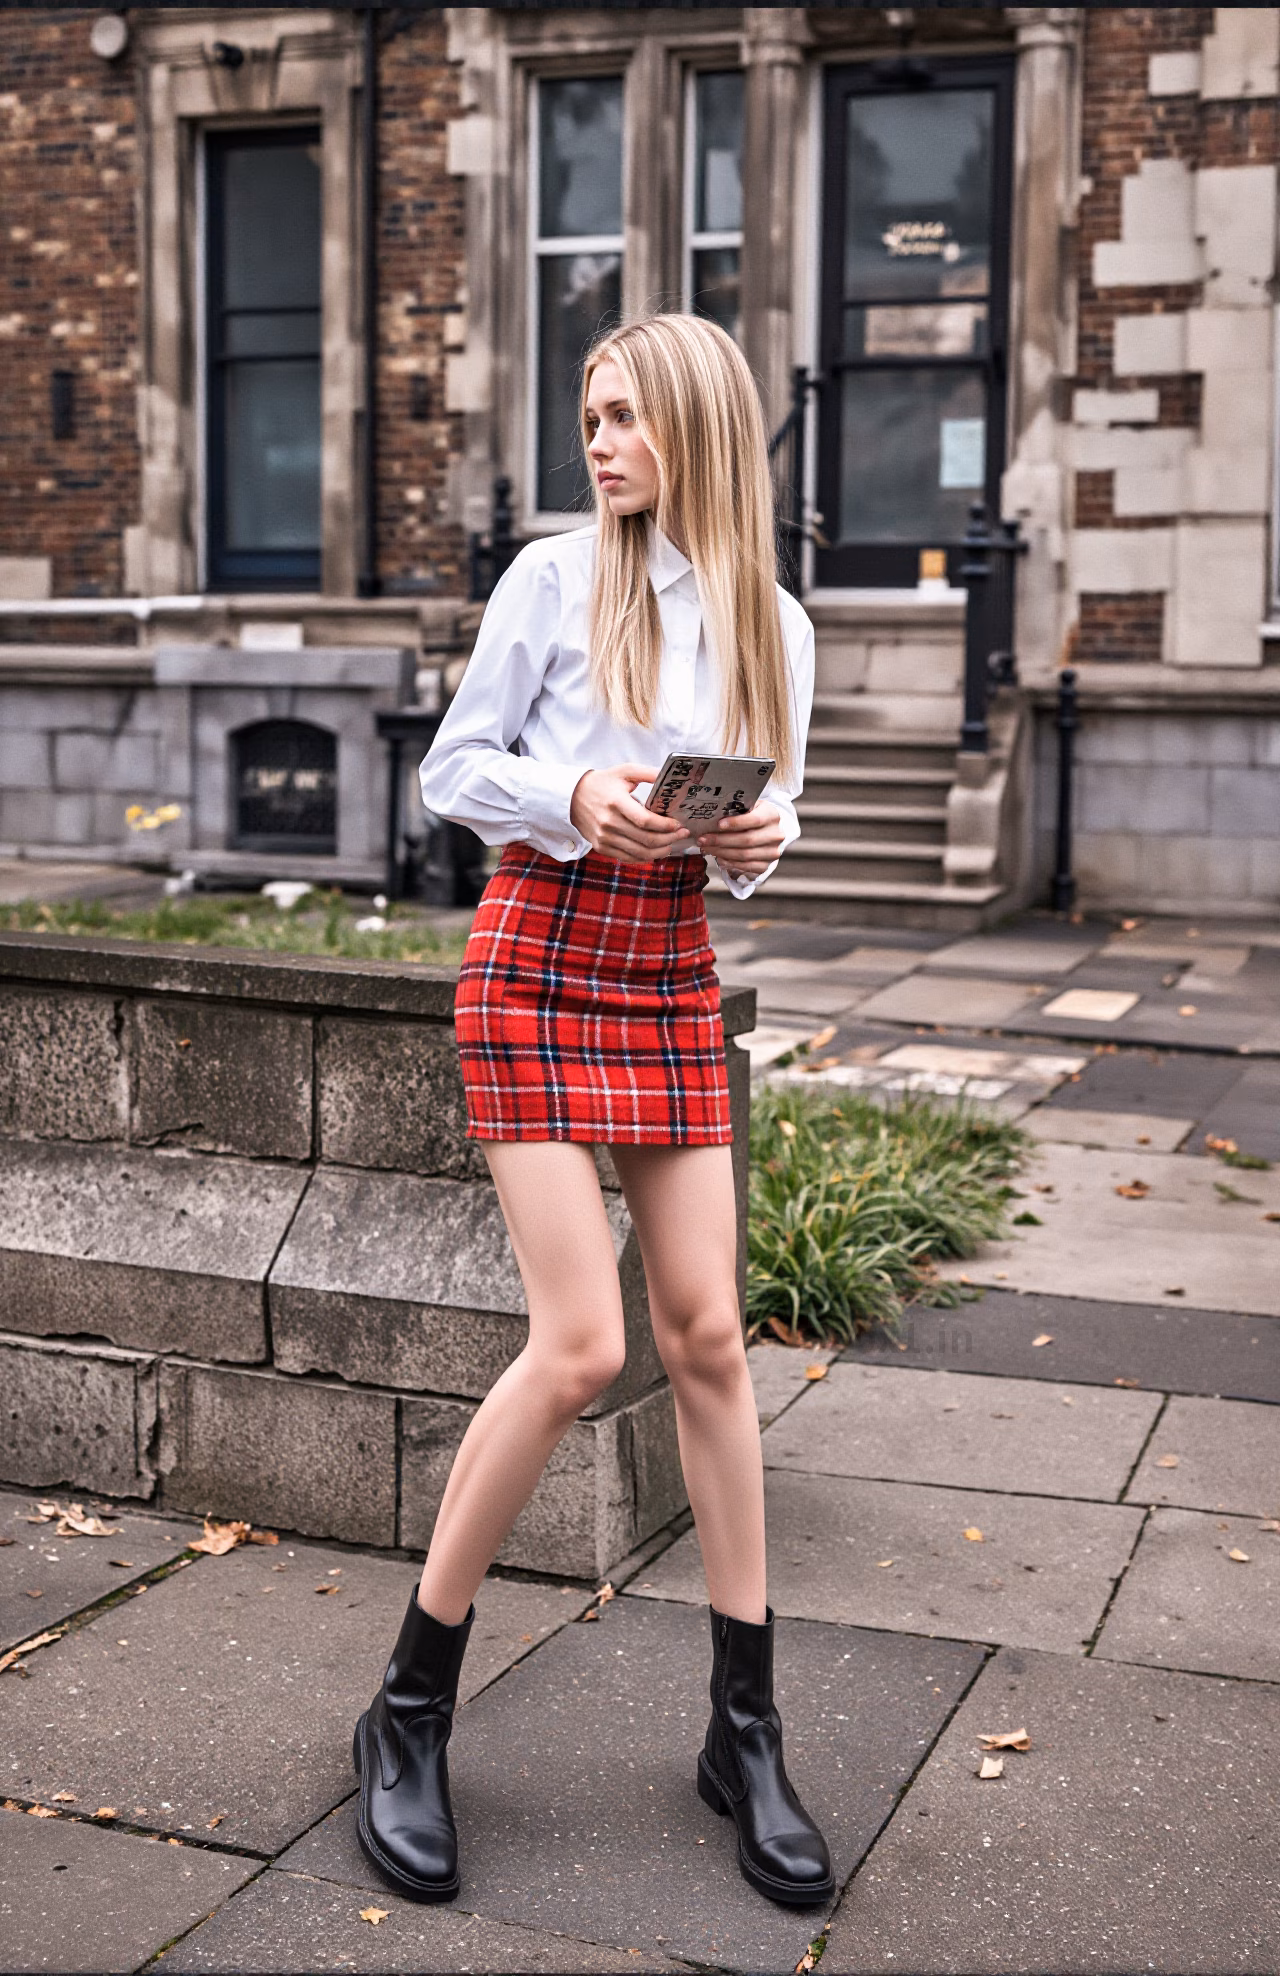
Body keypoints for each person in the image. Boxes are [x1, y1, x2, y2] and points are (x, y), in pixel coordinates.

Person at [352, 312, 829, 1910]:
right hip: (538, 957)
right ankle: (408, 1709)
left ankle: (742, 1732)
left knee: (708, 1336)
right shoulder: (555, 581)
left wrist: (747, 840)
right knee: (582, 1345)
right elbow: (450, 770)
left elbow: (774, 831)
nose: (601, 443)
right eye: (591, 416)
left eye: (626, 418)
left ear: (696, 427)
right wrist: (574, 798)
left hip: (668, 964)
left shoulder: (776, 620)